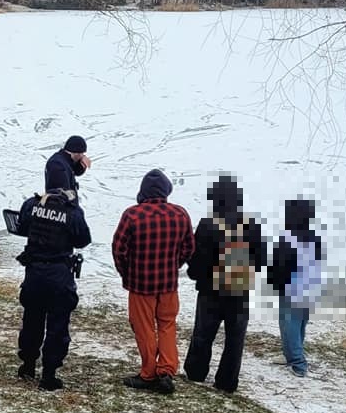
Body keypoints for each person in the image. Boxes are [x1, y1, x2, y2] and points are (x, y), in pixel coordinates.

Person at [112, 169, 194, 394]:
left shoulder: (132, 215)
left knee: (144, 327)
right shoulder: (180, 214)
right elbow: (189, 247)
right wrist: (174, 265)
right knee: (167, 325)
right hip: (168, 284)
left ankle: (148, 373)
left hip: (141, 285)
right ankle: (166, 370)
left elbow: (119, 250)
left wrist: (126, 274)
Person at [182, 174, 265, 393]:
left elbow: (196, 255)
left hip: (211, 289)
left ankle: (196, 372)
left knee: (203, 333)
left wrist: (196, 274)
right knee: (235, 338)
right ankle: (227, 381)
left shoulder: (208, 224)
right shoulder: (251, 225)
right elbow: (262, 257)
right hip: (240, 289)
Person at [15, 159, 91, 391]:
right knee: (58, 325)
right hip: (59, 274)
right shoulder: (72, 211)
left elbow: (21, 226)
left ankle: (28, 365)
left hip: (35, 272)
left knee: (32, 320)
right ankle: (49, 374)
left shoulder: (32, 204)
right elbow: (83, 240)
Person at [267, 198, 323, 377]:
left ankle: (298, 363)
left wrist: (274, 283)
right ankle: (290, 354)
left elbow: (279, 265)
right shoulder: (314, 237)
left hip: (291, 288)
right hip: (309, 287)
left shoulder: (288, 238)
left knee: (289, 324)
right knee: (299, 323)